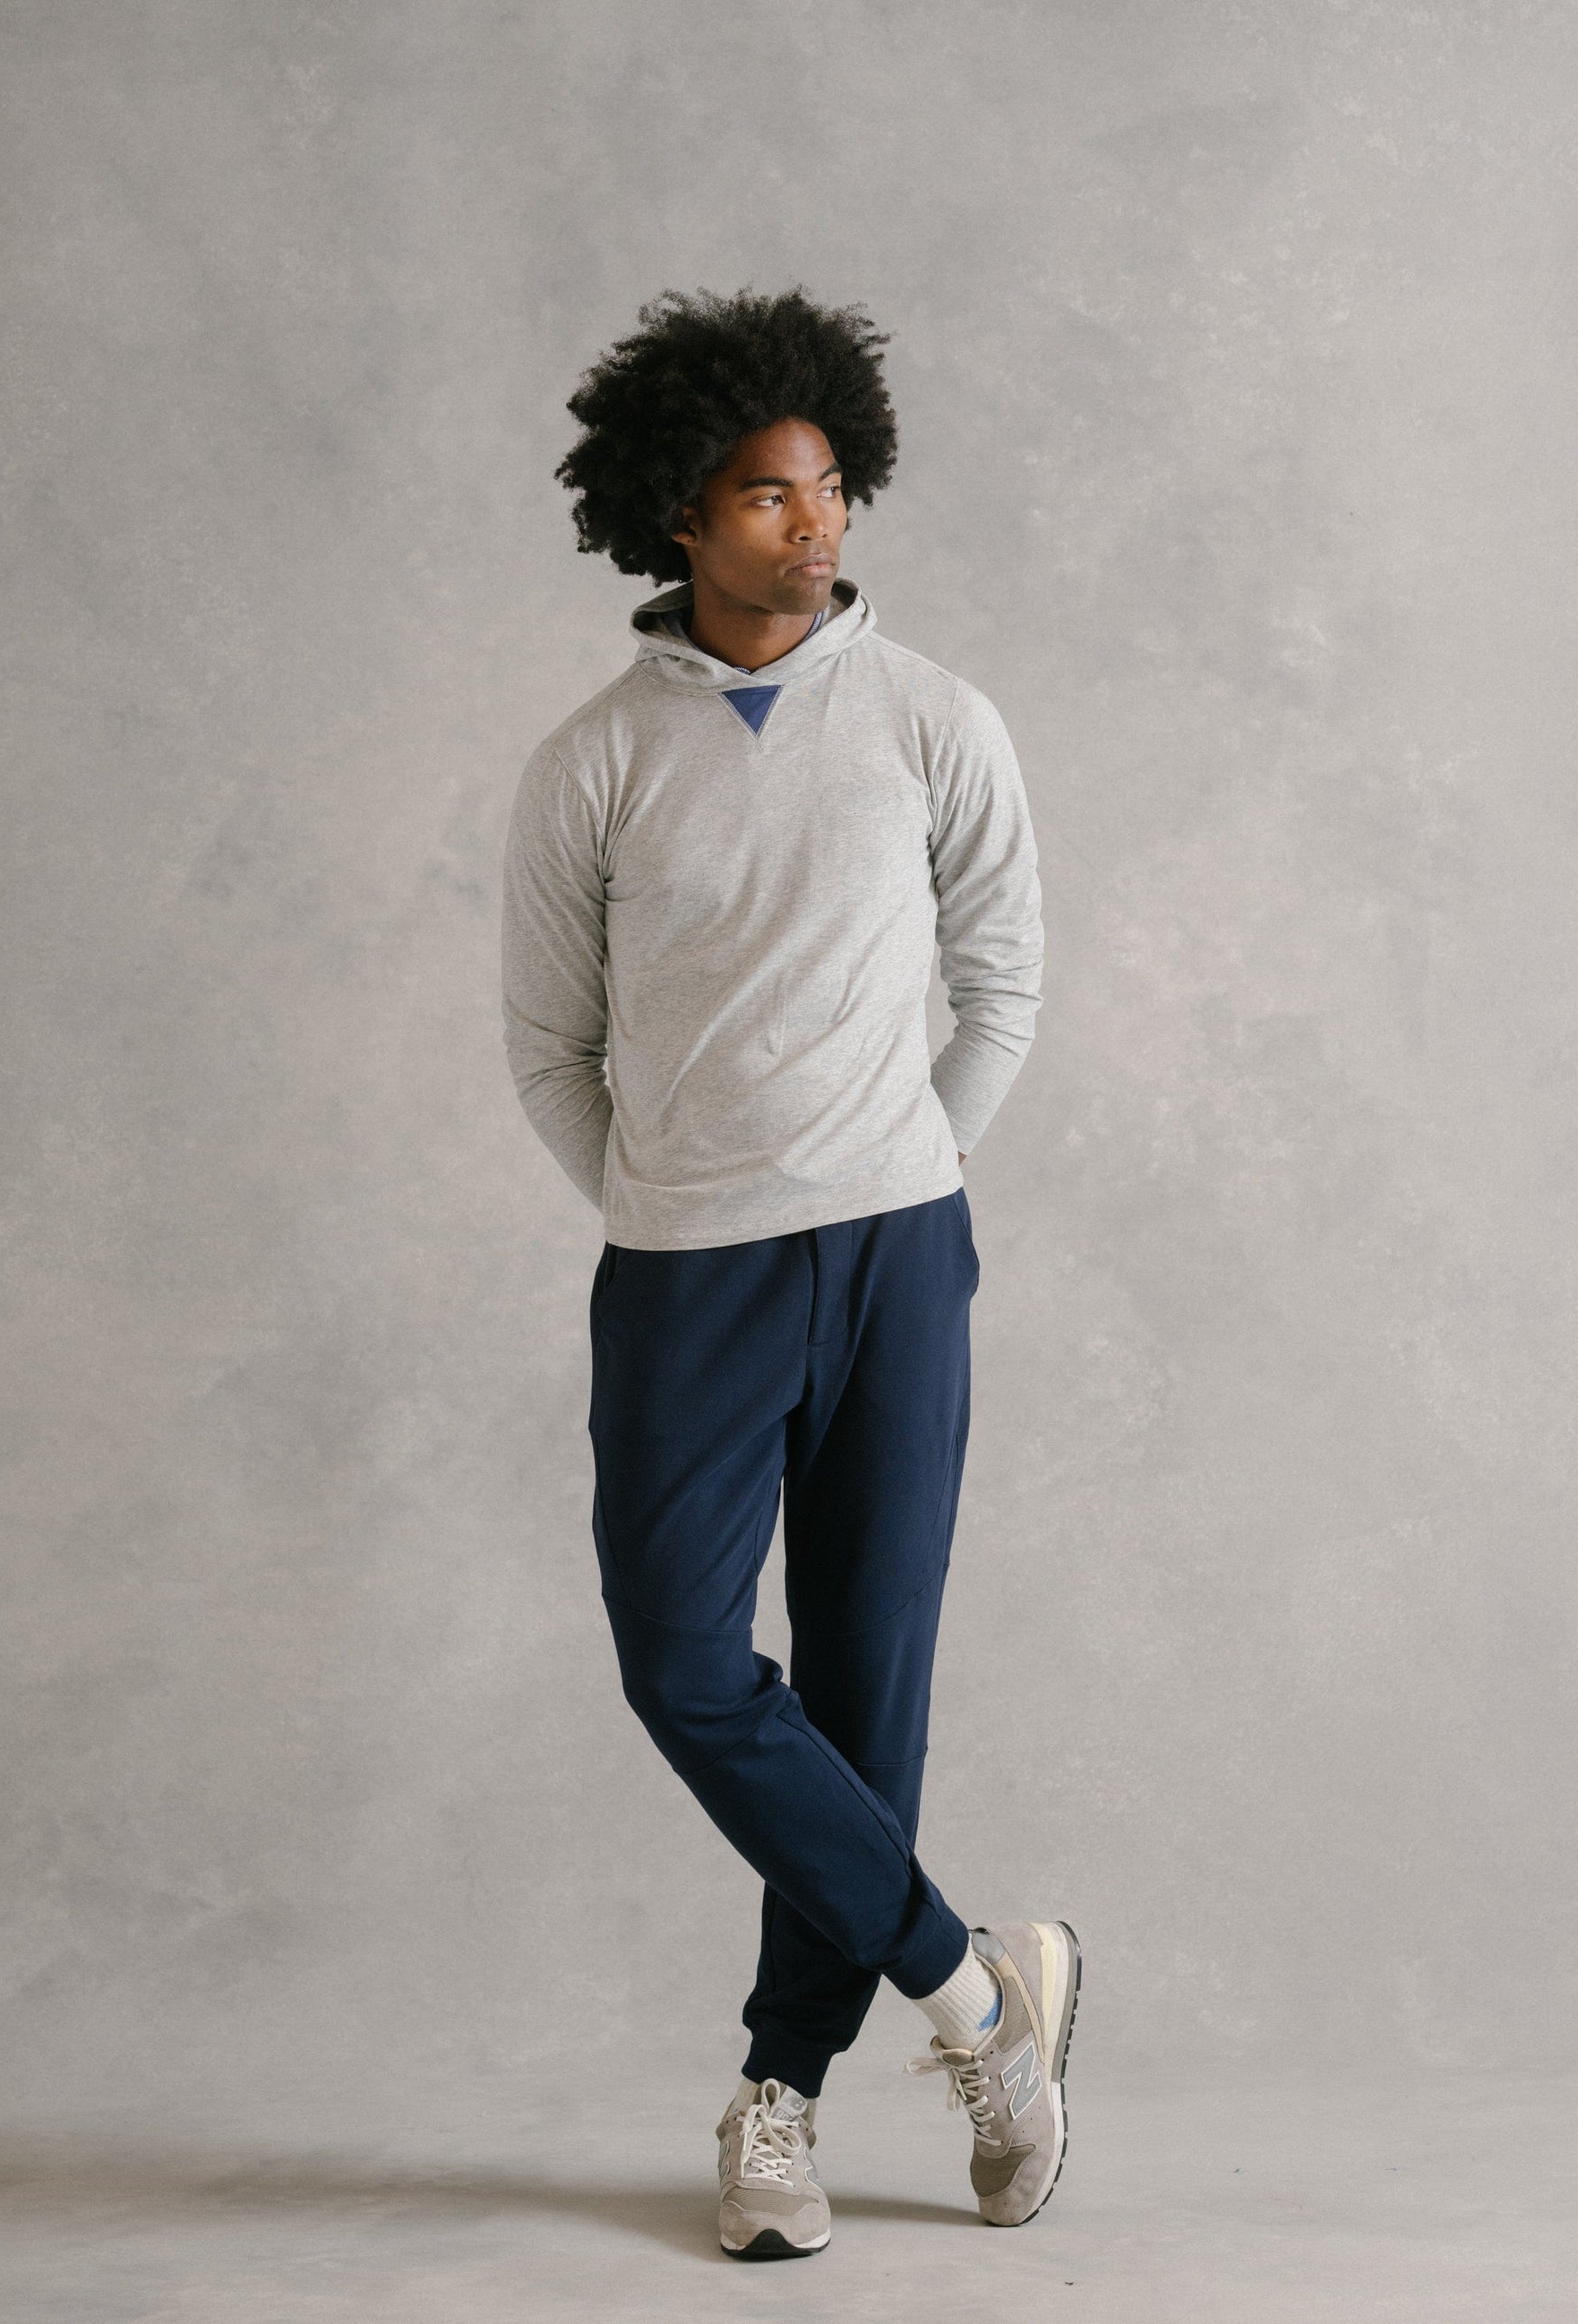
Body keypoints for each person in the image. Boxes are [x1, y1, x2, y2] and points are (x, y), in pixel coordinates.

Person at [502, 285, 1078, 2259]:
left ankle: (786, 2090)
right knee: (682, 1660)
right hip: (687, 1272)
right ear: (679, 512)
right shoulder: (593, 763)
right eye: (766, 494)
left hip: (899, 1254)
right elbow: (550, 1051)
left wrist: (911, 1166)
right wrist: (676, 1192)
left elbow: (1002, 978)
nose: (812, 524)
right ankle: (976, 1994)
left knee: (862, 1678)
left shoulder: (930, 717)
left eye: (829, 487)